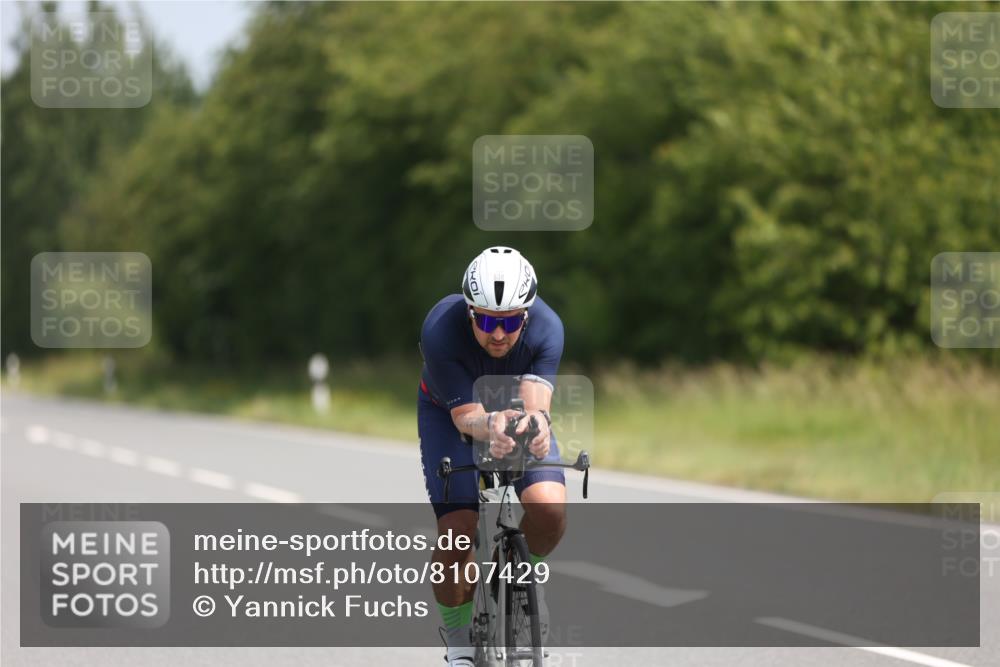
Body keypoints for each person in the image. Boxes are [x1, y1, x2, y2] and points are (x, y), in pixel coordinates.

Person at [418, 246, 566, 666]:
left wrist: (536, 428)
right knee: (457, 530)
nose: (497, 334)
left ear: (527, 315)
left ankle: (525, 577)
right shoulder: (440, 328)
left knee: (549, 509)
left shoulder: (548, 327)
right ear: (469, 312)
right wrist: (491, 428)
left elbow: (537, 404)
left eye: (508, 323)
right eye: (485, 321)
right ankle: (461, 642)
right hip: (450, 410)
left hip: (513, 406)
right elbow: (467, 419)